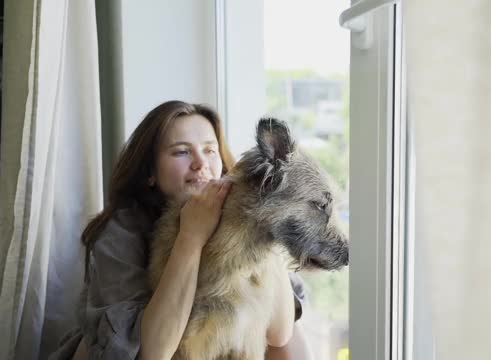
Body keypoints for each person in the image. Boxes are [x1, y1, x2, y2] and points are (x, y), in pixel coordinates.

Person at [49, 100, 311, 359]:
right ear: (151, 171)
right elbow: (152, 352)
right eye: (181, 152)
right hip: (143, 350)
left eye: (210, 150)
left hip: (215, 347)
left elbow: (279, 335)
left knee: (292, 338)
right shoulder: (122, 231)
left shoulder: (237, 216)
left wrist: (266, 217)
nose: (200, 164)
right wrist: (191, 235)